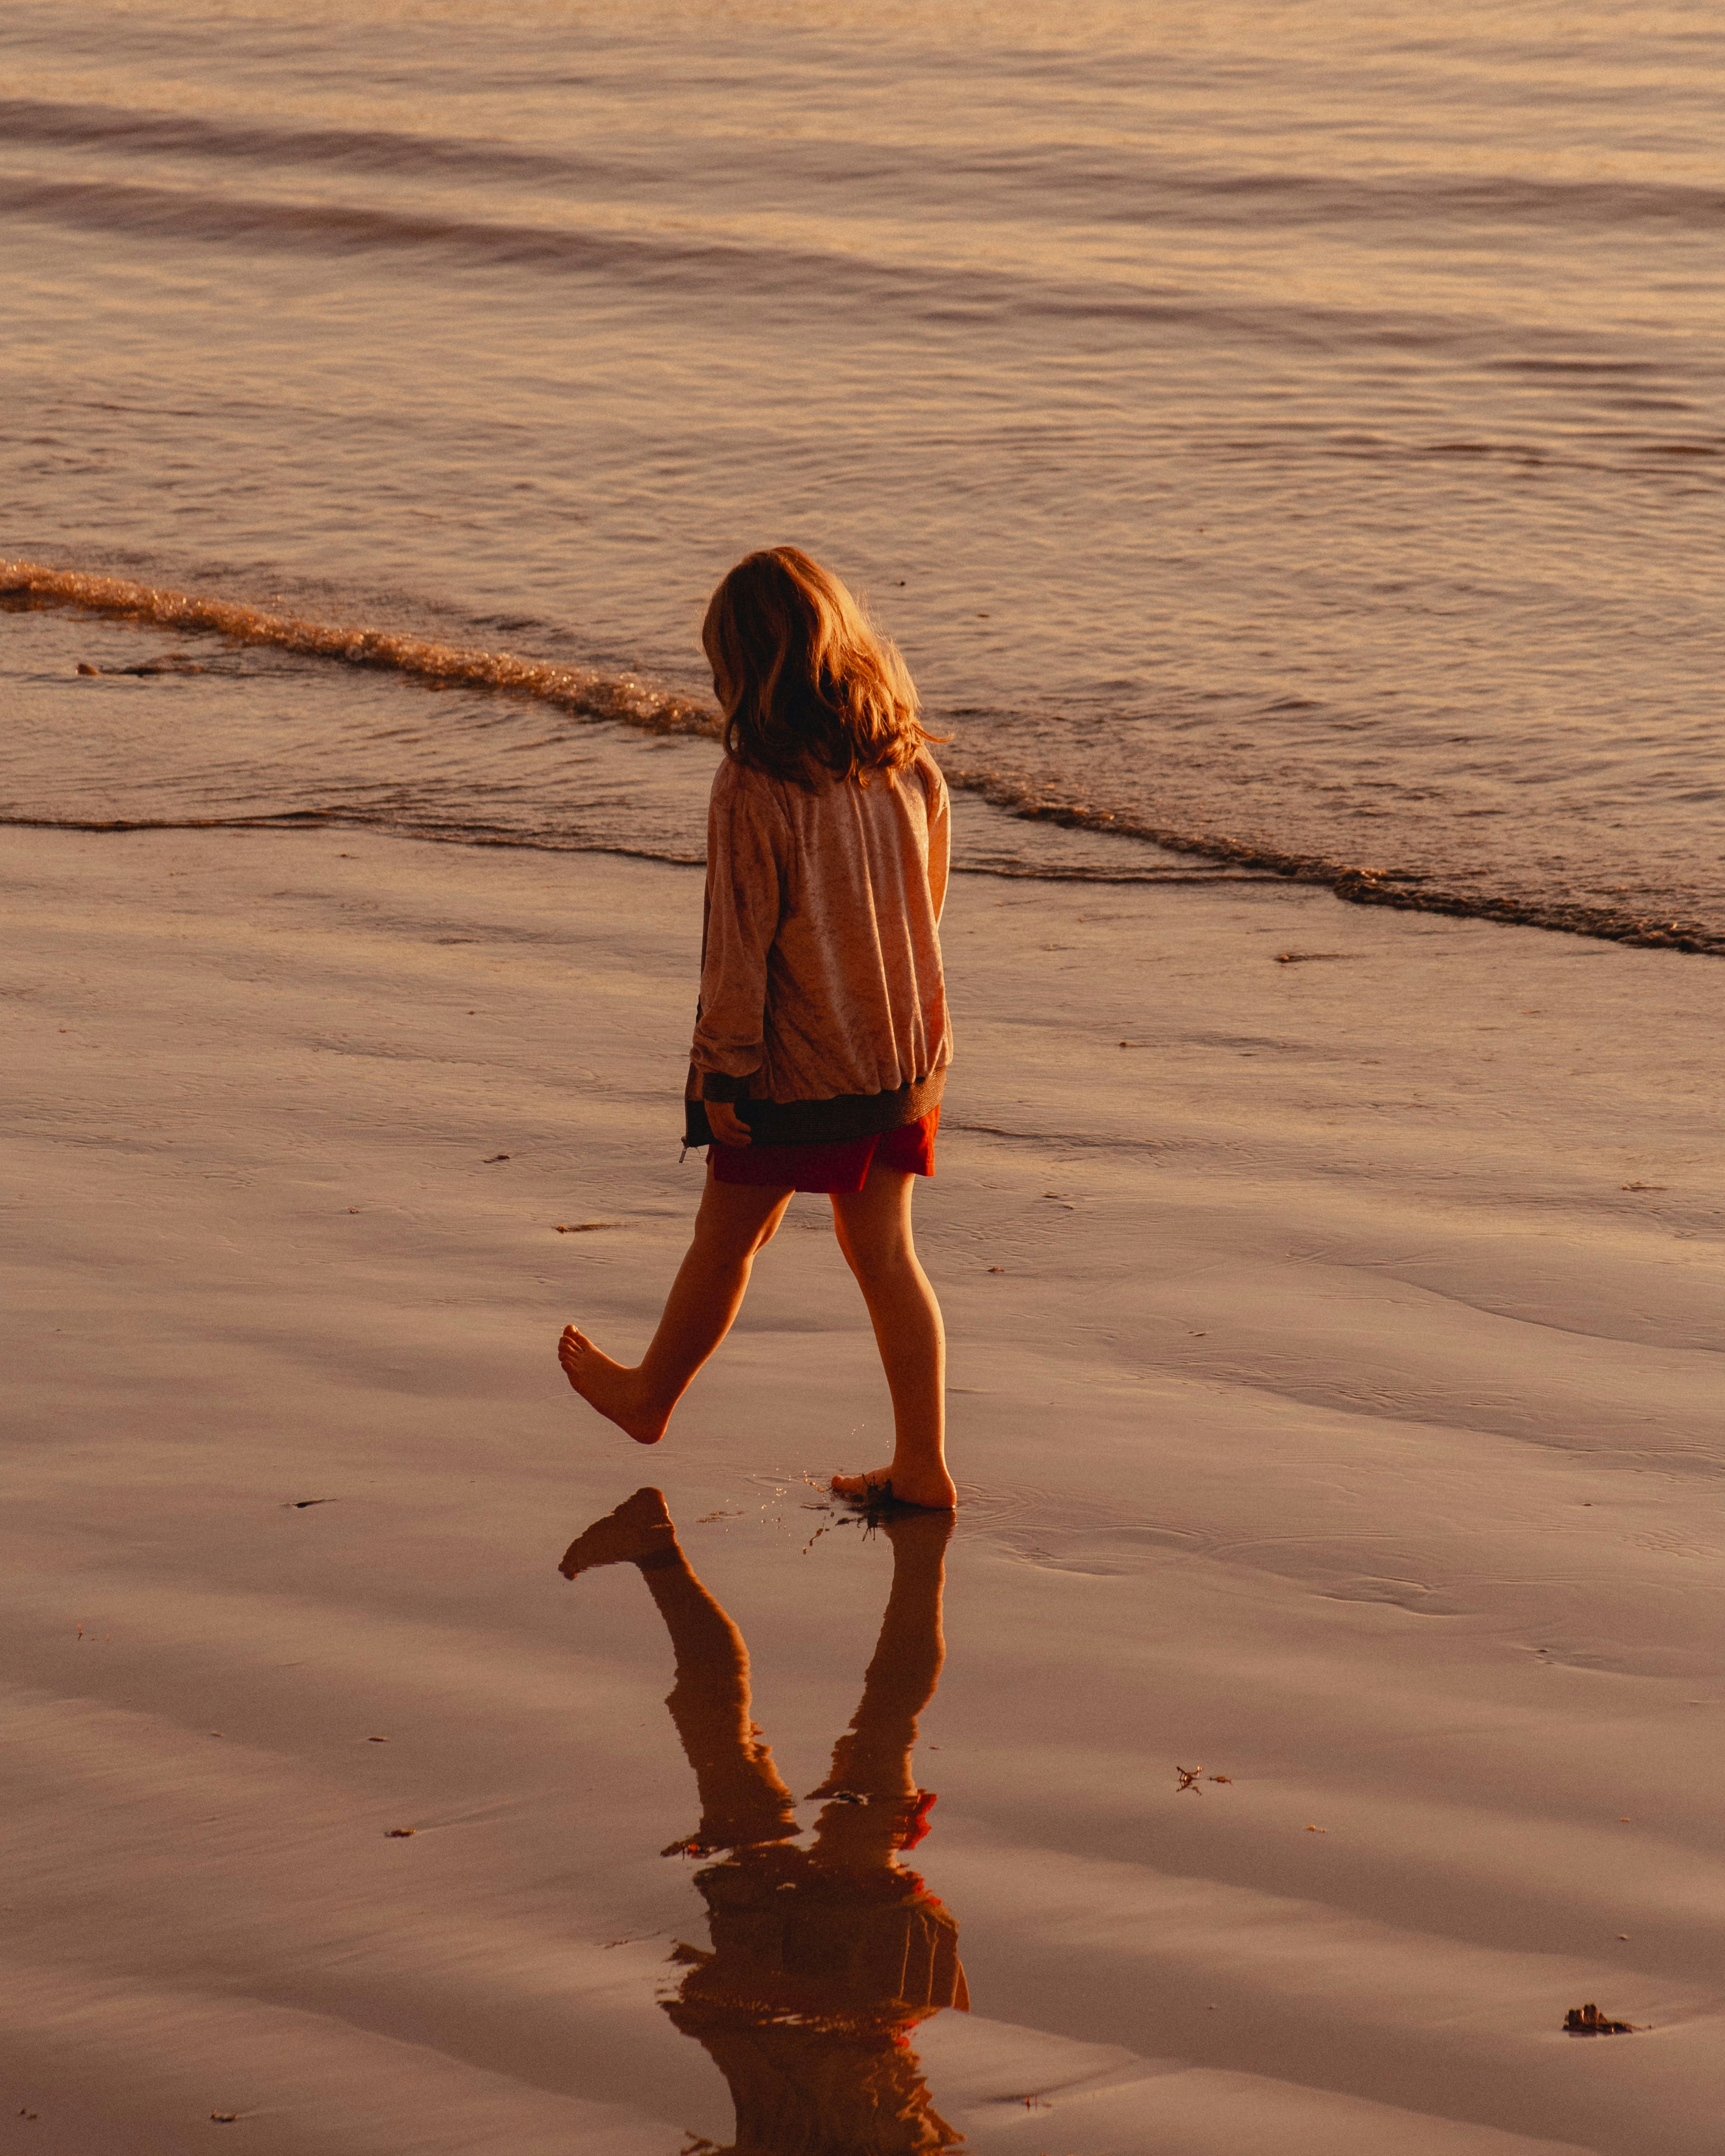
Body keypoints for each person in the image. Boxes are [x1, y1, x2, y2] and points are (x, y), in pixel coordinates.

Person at [558, 547, 956, 1511]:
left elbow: (740, 944)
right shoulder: (904, 757)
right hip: (902, 1056)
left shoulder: (754, 785)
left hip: (799, 1067)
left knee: (726, 1239)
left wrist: (723, 1073)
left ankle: (651, 1396)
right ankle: (923, 1464)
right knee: (889, 1257)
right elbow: (928, 901)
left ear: (745, 668)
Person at [559, 1488, 967, 2155]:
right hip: (826, 2000)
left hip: (837, 2002)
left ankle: (661, 1552)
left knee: (859, 1736)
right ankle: (660, 1553)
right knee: (747, 1742)